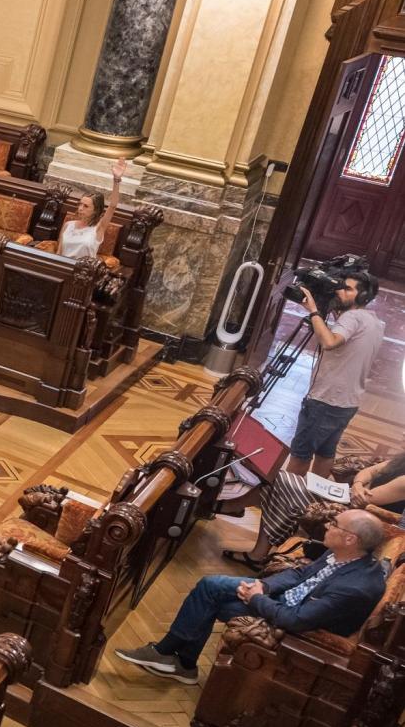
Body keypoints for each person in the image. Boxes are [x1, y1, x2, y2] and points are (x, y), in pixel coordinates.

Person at [115, 509, 388, 683]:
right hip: (279, 599)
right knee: (210, 587)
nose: (327, 526)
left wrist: (257, 599)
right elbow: (299, 575)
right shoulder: (343, 553)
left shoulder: (354, 588)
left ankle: (172, 657)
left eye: (335, 524)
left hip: (294, 625)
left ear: (350, 539)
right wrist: (264, 586)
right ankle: (179, 662)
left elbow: (296, 621)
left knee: (212, 598)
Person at [285, 270, 384, 478]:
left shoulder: (352, 318)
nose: (339, 292)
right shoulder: (375, 321)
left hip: (325, 401)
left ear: (363, 296)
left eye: (347, 289)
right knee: (325, 453)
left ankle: (284, 496)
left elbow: (329, 342)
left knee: (301, 454)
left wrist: (314, 311)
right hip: (347, 403)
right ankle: (313, 495)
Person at [230, 453, 405, 568]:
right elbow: (369, 471)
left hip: (357, 515)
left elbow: (367, 499)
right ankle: (257, 552)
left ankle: (255, 548)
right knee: (280, 481)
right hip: (347, 496)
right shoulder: (401, 460)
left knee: (283, 484)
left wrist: (358, 489)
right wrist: (358, 484)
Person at [59, 159, 128, 259]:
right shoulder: (68, 225)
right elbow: (59, 252)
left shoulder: (98, 228)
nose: (80, 208)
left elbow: (113, 205)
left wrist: (116, 179)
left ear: (96, 210)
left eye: (86, 206)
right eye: (80, 204)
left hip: (83, 268)